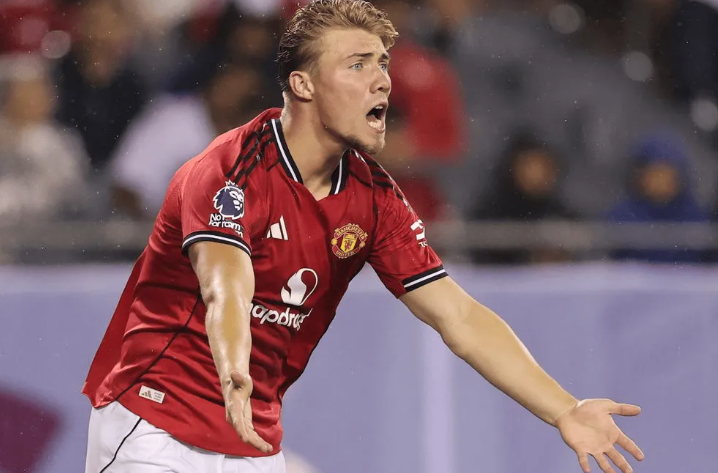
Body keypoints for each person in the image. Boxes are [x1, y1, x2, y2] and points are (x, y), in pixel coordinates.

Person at [82, 2, 644, 473]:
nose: (382, 80)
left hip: (250, 443)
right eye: (357, 64)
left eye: (382, 63)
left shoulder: (374, 199)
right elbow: (225, 283)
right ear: (302, 84)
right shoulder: (229, 168)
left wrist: (563, 409)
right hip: (152, 426)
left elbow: (459, 317)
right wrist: (233, 371)